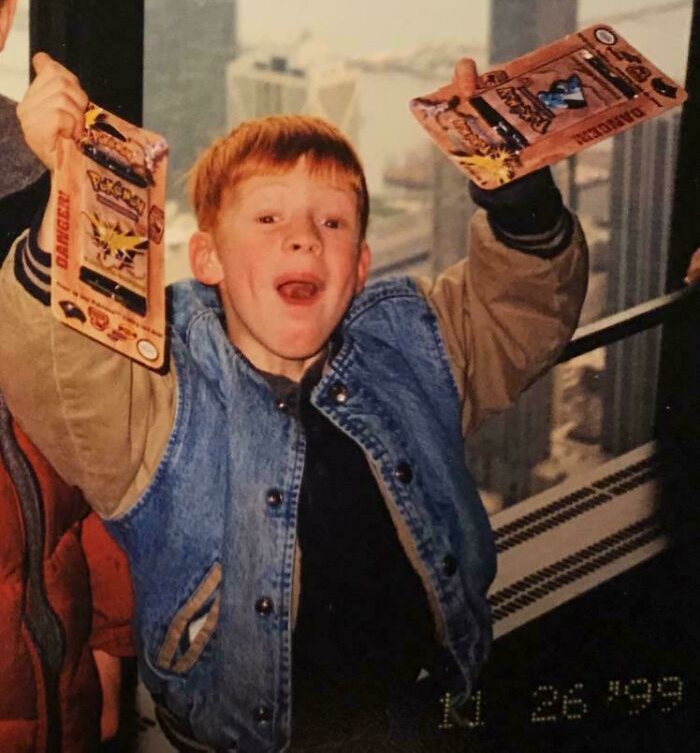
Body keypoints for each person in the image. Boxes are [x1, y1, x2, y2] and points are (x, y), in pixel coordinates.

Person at [0, 50, 588, 753]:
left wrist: (516, 196)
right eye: (269, 217)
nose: (305, 236)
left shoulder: (407, 348)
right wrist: (67, 198)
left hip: (428, 714)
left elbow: (514, 313)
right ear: (209, 259)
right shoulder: (160, 397)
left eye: (333, 224)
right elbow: (58, 371)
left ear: (362, 265)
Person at [0, 0, 134, 753]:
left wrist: (114, 640)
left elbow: (116, 417)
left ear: (4, 10)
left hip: (57, 682)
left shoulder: (61, 171)